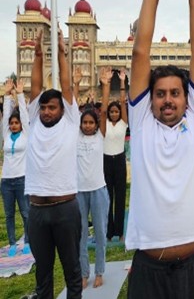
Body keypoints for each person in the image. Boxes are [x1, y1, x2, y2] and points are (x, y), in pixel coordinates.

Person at [125, 0, 194, 298]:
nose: (167, 99)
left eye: (175, 93)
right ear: (149, 100)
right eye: (160, 93)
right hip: (150, 269)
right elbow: (140, 51)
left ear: (187, 98)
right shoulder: (143, 121)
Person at [26, 29, 82, 299]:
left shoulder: (71, 121)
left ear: (63, 109)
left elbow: (67, 86)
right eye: (44, 107)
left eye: (52, 107)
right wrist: (38, 56)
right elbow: (35, 87)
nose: (47, 111)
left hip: (65, 209)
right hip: (37, 210)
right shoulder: (34, 122)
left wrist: (61, 52)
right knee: (42, 275)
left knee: (72, 272)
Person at [74, 66, 111, 289]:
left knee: (99, 233)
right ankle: (84, 273)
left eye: (91, 123)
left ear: (96, 125)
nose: (87, 126)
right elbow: (71, 111)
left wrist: (105, 85)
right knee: (79, 236)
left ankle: (99, 272)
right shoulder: (76, 136)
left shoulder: (100, 136)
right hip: (79, 192)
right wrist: (76, 84)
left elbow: (104, 111)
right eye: (85, 123)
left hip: (98, 190)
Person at [2, 78, 30, 257]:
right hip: (6, 181)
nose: (13, 125)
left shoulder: (26, 135)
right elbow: (5, 117)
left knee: (26, 213)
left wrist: (19, 94)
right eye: (11, 123)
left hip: (22, 179)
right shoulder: (6, 134)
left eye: (16, 123)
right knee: (9, 215)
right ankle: (12, 243)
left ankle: (28, 240)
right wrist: (6, 96)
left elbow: (25, 118)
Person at [103, 68, 128, 242]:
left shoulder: (123, 123)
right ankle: (108, 232)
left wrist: (121, 83)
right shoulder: (103, 125)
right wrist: (105, 85)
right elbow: (103, 108)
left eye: (116, 111)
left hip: (119, 160)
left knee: (120, 197)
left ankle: (119, 232)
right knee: (107, 198)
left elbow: (123, 101)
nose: (113, 114)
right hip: (105, 162)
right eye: (111, 112)